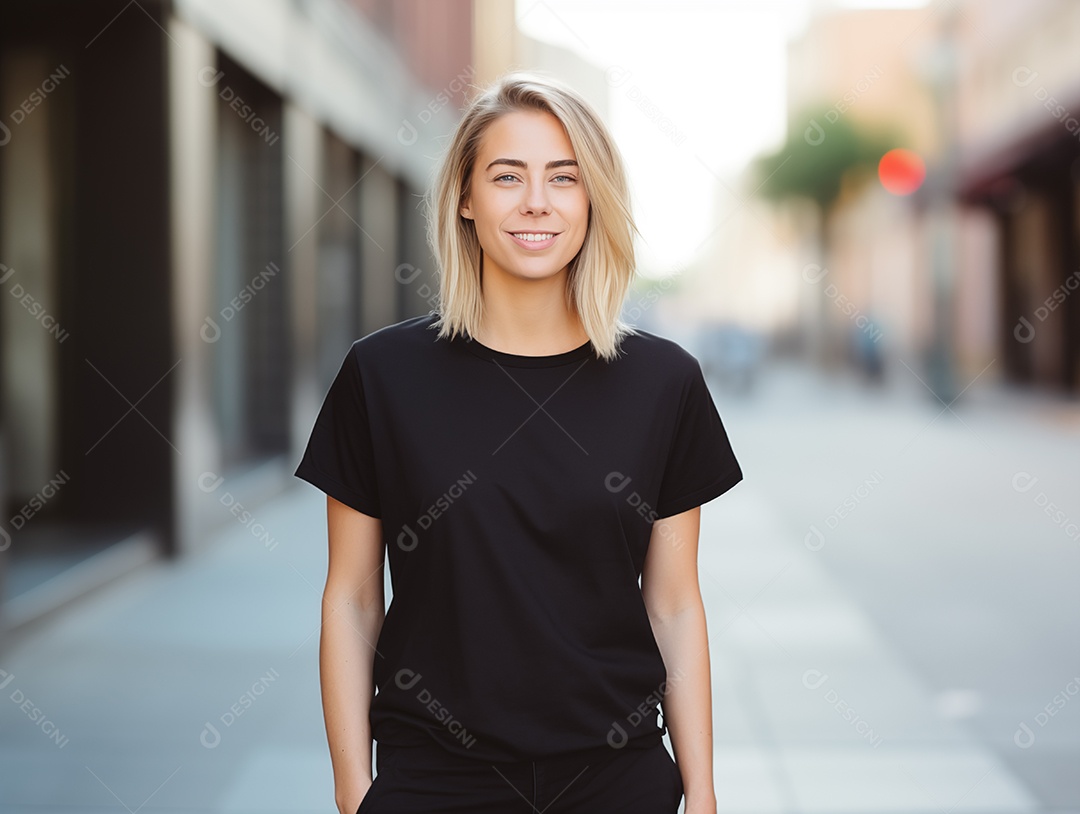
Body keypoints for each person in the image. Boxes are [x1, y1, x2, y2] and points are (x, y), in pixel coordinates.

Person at [294, 70, 743, 814]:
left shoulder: (663, 382)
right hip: (434, 780)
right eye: (508, 176)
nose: (537, 200)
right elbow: (351, 596)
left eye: (564, 178)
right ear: (465, 199)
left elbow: (673, 604)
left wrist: (702, 790)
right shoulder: (383, 375)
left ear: (593, 199)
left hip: (616, 781)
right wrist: (353, 788)